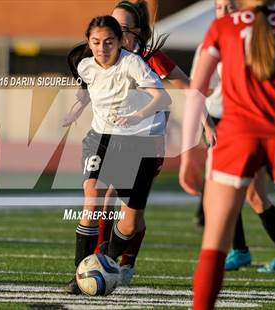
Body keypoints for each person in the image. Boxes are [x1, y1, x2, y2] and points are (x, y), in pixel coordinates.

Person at [63, 0, 193, 289]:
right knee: (97, 196)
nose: (110, 36)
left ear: (135, 32)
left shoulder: (147, 58)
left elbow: (185, 88)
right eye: (109, 27)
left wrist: (206, 123)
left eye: (120, 29)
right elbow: (88, 84)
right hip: (105, 137)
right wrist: (76, 109)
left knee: (131, 218)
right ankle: (85, 268)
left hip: (145, 141)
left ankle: (121, 260)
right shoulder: (95, 55)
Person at [179, 1, 275, 308]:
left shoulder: (224, 27)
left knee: (214, 245)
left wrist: (188, 153)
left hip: (236, 135)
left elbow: (196, 91)